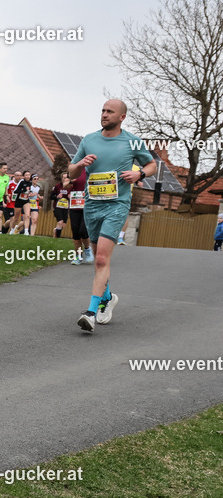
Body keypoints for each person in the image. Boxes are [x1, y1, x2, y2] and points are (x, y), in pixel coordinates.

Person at [69, 99, 155, 332]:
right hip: (93, 205)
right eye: (103, 111)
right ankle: (108, 298)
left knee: (100, 260)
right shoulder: (89, 140)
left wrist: (139, 175)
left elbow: (151, 165)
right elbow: (70, 169)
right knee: (98, 259)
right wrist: (81, 164)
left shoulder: (132, 141)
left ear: (122, 117)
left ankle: (90, 312)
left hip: (117, 204)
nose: (105, 115)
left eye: (110, 112)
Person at [67, 168, 93, 264]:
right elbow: (65, 185)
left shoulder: (94, 170)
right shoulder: (75, 170)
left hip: (88, 206)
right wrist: (70, 182)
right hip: (75, 205)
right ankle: (78, 256)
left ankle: (87, 249)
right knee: (75, 233)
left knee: (83, 231)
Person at [51, 172, 71, 238]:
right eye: (64, 178)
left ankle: (56, 230)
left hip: (65, 208)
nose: (65, 179)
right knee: (60, 221)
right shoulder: (57, 186)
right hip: (57, 207)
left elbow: (73, 196)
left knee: (63, 225)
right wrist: (57, 196)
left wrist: (70, 197)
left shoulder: (71, 187)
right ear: (61, 178)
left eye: (67, 178)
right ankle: (57, 237)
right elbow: (51, 196)